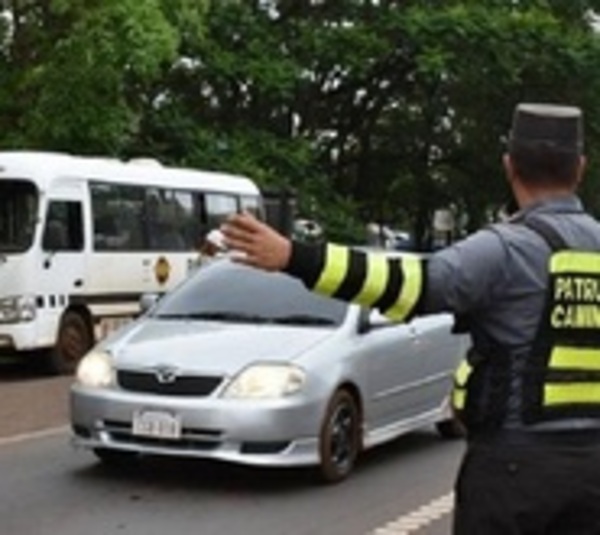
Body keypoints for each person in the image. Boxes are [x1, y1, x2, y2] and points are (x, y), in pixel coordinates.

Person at [221, 102, 600, 534]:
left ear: (509, 165)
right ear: (581, 168)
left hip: (515, 468)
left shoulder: (506, 249)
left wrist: (295, 257)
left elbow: (409, 284)